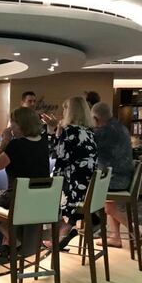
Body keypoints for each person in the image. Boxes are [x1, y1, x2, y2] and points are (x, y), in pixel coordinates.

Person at [0, 107, 50, 257]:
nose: (10, 126)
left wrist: (4, 141)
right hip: (42, 200)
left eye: (12, 123)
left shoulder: (16, 145)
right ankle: (8, 242)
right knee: (5, 201)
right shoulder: (43, 142)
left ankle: (14, 238)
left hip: (20, 198)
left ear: (21, 125)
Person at [42, 96, 98, 248]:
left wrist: (53, 132)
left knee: (42, 194)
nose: (63, 112)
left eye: (65, 109)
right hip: (87, 188)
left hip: (74, 190)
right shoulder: (89, 132)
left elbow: (58, 158)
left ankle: (51, 235)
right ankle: (65, 231)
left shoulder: (70, 131)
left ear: (71, 112)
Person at [91, 102, 142, 248]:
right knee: (108, 202)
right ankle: (115, 237)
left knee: (106, 205)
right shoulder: (119, 126)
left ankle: (137, 233)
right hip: (123, 176)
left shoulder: (104, 132)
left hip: (116, 179)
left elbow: (89, 146)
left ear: (95, 118)